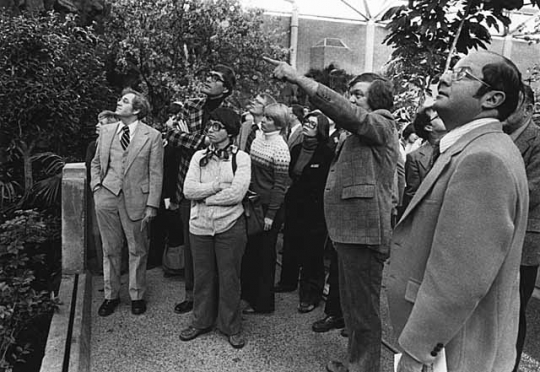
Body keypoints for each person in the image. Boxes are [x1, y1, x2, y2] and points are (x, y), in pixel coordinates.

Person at [387, 51, 528, 372]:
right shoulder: (479, 148)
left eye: (463, 74)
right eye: (451, 69)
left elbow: (459, 281)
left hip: (453, 353)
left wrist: (417, 352)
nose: (445, 77)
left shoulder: (485, 159)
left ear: (492, 98)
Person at [266, 57, 399, 372]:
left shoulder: (381, 122)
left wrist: (299, 78)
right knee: (353, 308)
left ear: (377, 101)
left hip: (365, 232)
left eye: (359, 94)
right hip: (350, 231)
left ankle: (363, 367)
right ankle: (357, 362)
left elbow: (345, 111)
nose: (352, 99)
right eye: (350, 93)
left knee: (363, 312)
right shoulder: (358, 132)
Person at [166, 65, 237, 315]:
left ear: (225, 88)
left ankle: (215, 300)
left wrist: (193, 140)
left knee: (218, 249)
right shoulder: (191, 105)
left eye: (215, 79)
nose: (208, 80)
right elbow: (171, 134)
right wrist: (204, 141)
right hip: (189, 183)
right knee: (191, 245)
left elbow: (232, 146)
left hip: (219, 187)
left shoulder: (232, 112)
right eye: (208, 76)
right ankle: (191, 295)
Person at [179, 108, 250, 349]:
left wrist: (206, 197)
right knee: (203, 276)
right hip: (199, 226)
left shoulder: (241, 158)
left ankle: (231, 325)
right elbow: (188, 190)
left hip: (230, 225)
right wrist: (218, 185)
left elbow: (237, 194)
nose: (210, 129)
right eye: (209, 125)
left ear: (229, 131)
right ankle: (201, 321)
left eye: (217, 126)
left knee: (230, 277)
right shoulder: (199, 156)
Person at [91, 88, 164, 316]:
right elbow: (95, 163)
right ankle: (111, 296)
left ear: (137, 110)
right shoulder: (107, 131)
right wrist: (96, 188)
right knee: (110, 249)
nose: (118, 103)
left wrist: (152, 205)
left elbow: (156, 173)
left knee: (137, 249)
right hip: (107, 196)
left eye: (124, 102)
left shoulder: (152, 136)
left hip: (137, 199)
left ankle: (137, 295)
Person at [502, 84, 540, 372]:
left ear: (528, 109)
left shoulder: (537, 141)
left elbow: (532, 191)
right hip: (497, 234)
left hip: (525, 239)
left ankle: (510, 366)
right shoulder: (499, 137)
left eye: (514, 103)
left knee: (514, 311)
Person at [280, 111, 333, 313]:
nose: (307, 125)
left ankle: (311, 294)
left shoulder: (326, 153)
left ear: (320, 128)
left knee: (313, 252)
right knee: (291, 243)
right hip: (295, 204)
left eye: (312, 123)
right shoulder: (296, 149)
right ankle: (288, 281)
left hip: (315, 209)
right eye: (306, 121)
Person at [241, 103, 290, 314]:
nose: (264, 121)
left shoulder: (280, 148)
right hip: (254, 203)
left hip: (270, 208)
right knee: (251, 253)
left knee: (264, 256)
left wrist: (270, 216)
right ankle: (248, 296)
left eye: (269, 119)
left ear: (278, 124)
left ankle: (263, 304)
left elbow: (280, 186)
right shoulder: (258, 138)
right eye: (265, 117)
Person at [402, 106, 446, 209]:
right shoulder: (414, 158)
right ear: (428, 127)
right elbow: (413, 196)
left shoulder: (459, 145)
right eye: (439, 116)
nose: (445, 117)